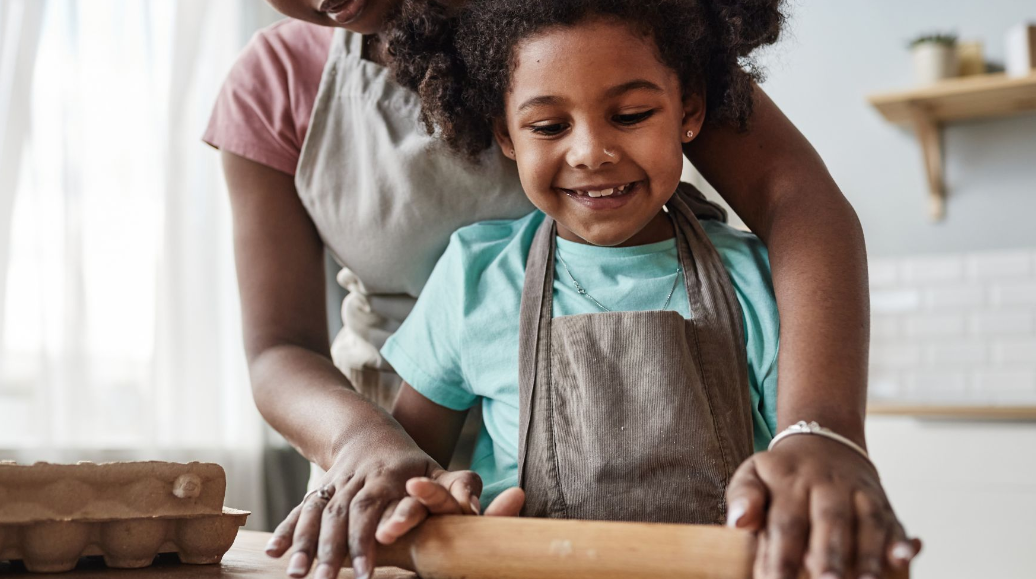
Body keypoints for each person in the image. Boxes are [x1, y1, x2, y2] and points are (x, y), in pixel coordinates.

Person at [204, 1, 919, 578]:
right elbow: (278, 347)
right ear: (503, 129)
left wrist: (821, 432)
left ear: (686, 109)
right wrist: (365, 440)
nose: (589, 152)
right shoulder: (476, 276)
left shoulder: (610, 28)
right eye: (548, 124)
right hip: (385, 457)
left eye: (630, 117)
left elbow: (798, 199)